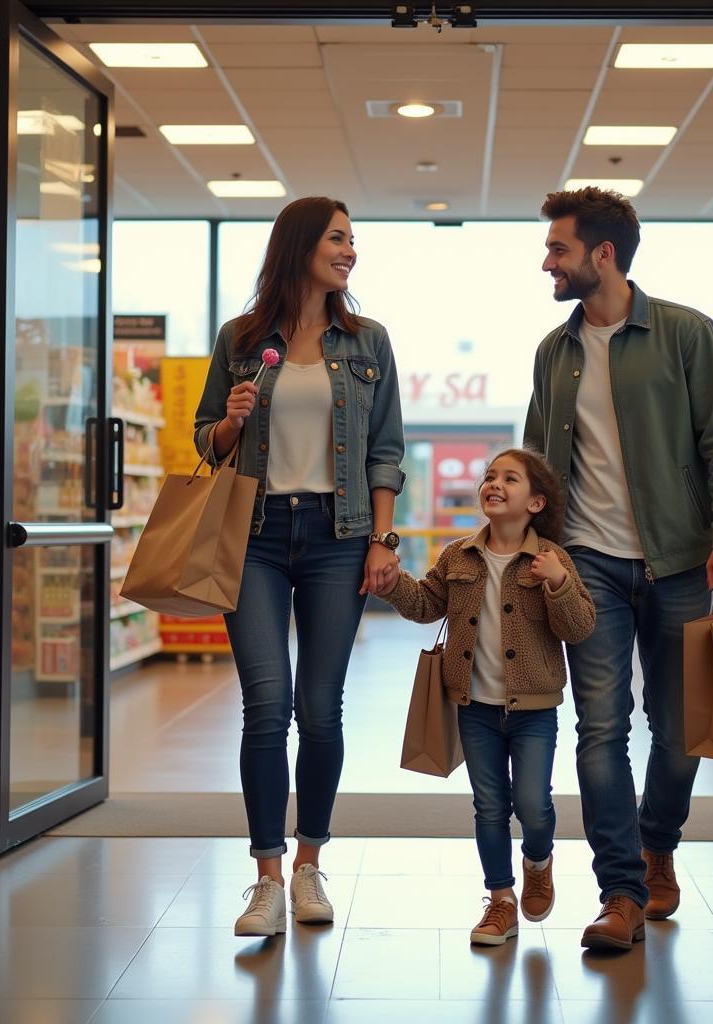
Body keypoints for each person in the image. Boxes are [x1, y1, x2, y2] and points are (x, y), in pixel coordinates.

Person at [524, 187, 713, 952]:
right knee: (599, 728)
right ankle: (620, 891)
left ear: (603, 255)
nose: (547, 263)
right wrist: (529, 547)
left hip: (683, 561)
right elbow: (537, 462)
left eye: (558, 249)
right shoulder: (553, 354)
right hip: (586, 563)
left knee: (681, 731)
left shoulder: (686, 334)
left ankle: (660, 842)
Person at [193, 196, 406, 938]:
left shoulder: (368, 342)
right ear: (300, 246)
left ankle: (311, 864)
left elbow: (385, 451)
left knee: (320, 708)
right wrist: (230, 420)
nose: (350, 251)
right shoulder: (241, 339)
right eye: (338, 238)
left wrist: (384, 540)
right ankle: (266, 878)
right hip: (250, 536)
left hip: (337, 535)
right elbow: (203, 441)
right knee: (265, 704)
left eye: (353, 239)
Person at [378, 448, 595, 945]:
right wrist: (392, 586)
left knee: (534, 804)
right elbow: (428, 602)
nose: (494, 484)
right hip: (473, 706)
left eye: (510, 479)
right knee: (490, 805)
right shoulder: (459, 555)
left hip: (534, 709)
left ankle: (538, 860)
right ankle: (500, 900)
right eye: (490, 476)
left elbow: (580, 627)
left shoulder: (551, 560)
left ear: (536, 502)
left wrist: (558, 584)